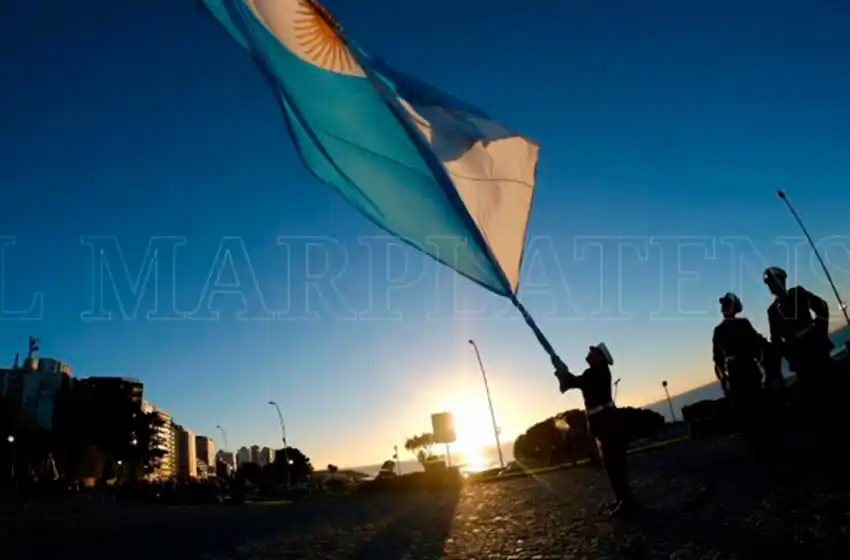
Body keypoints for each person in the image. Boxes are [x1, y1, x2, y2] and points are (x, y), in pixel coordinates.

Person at [553, 343, 636, 517]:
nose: (589, 353)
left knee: (614, 464)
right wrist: (561, 372)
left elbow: (576, 382)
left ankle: (626, 502)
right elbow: (573, 383)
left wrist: (563, 373)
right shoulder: (595, 372)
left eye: (593, 352)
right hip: (605, 424)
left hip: (608, 424)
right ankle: (622, 499)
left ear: (600, 357)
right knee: (611, 464)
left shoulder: (598, 372)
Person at [763, 267, 834, 409]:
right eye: (769, 283)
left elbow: (822, 307)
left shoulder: (798, 293)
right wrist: (789, 354)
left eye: (774, 281)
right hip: (799, 359)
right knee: (815, 400)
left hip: (817, 349)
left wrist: (819, 333)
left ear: (782, 281)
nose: (771, 285)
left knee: (831, 388)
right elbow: (776, 340)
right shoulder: (772, 311)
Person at [712, 292, 771, 452]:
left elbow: (755, 343)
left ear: (734, 307)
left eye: (728, 304)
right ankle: (753, 442)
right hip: (734, 373)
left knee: (757, 403)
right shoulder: (718, 331)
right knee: (742, 408)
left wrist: (761, 360)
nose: (724, 306)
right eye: (723, 304)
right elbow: (717, 358)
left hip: (749, 367)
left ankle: (765, 438)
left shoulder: (743, 324)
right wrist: (723, 378)